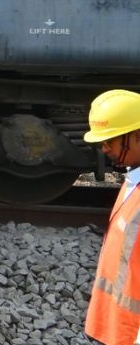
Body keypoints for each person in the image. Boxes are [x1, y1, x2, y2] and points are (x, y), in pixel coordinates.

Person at [82, 89, 140, 345]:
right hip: (114, 327)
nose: (104, 150)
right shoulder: (132, 180)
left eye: (111, 141)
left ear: (137, 136)